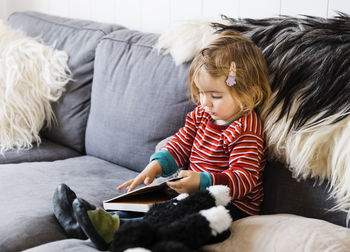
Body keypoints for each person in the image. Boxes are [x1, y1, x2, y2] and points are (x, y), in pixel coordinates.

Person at [53, 30, 271, 250]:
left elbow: (245, 179)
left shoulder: (246, 130)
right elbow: (180, 144)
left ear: (250, 94)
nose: (205, 103)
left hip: (229, 205)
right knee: (144, 200)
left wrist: (202, 181)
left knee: (171, 213)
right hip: (192, 191)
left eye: (215, 96)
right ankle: (86, 223)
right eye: (201, 93)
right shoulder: (201, 115)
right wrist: (156, 165)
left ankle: (116, 230)